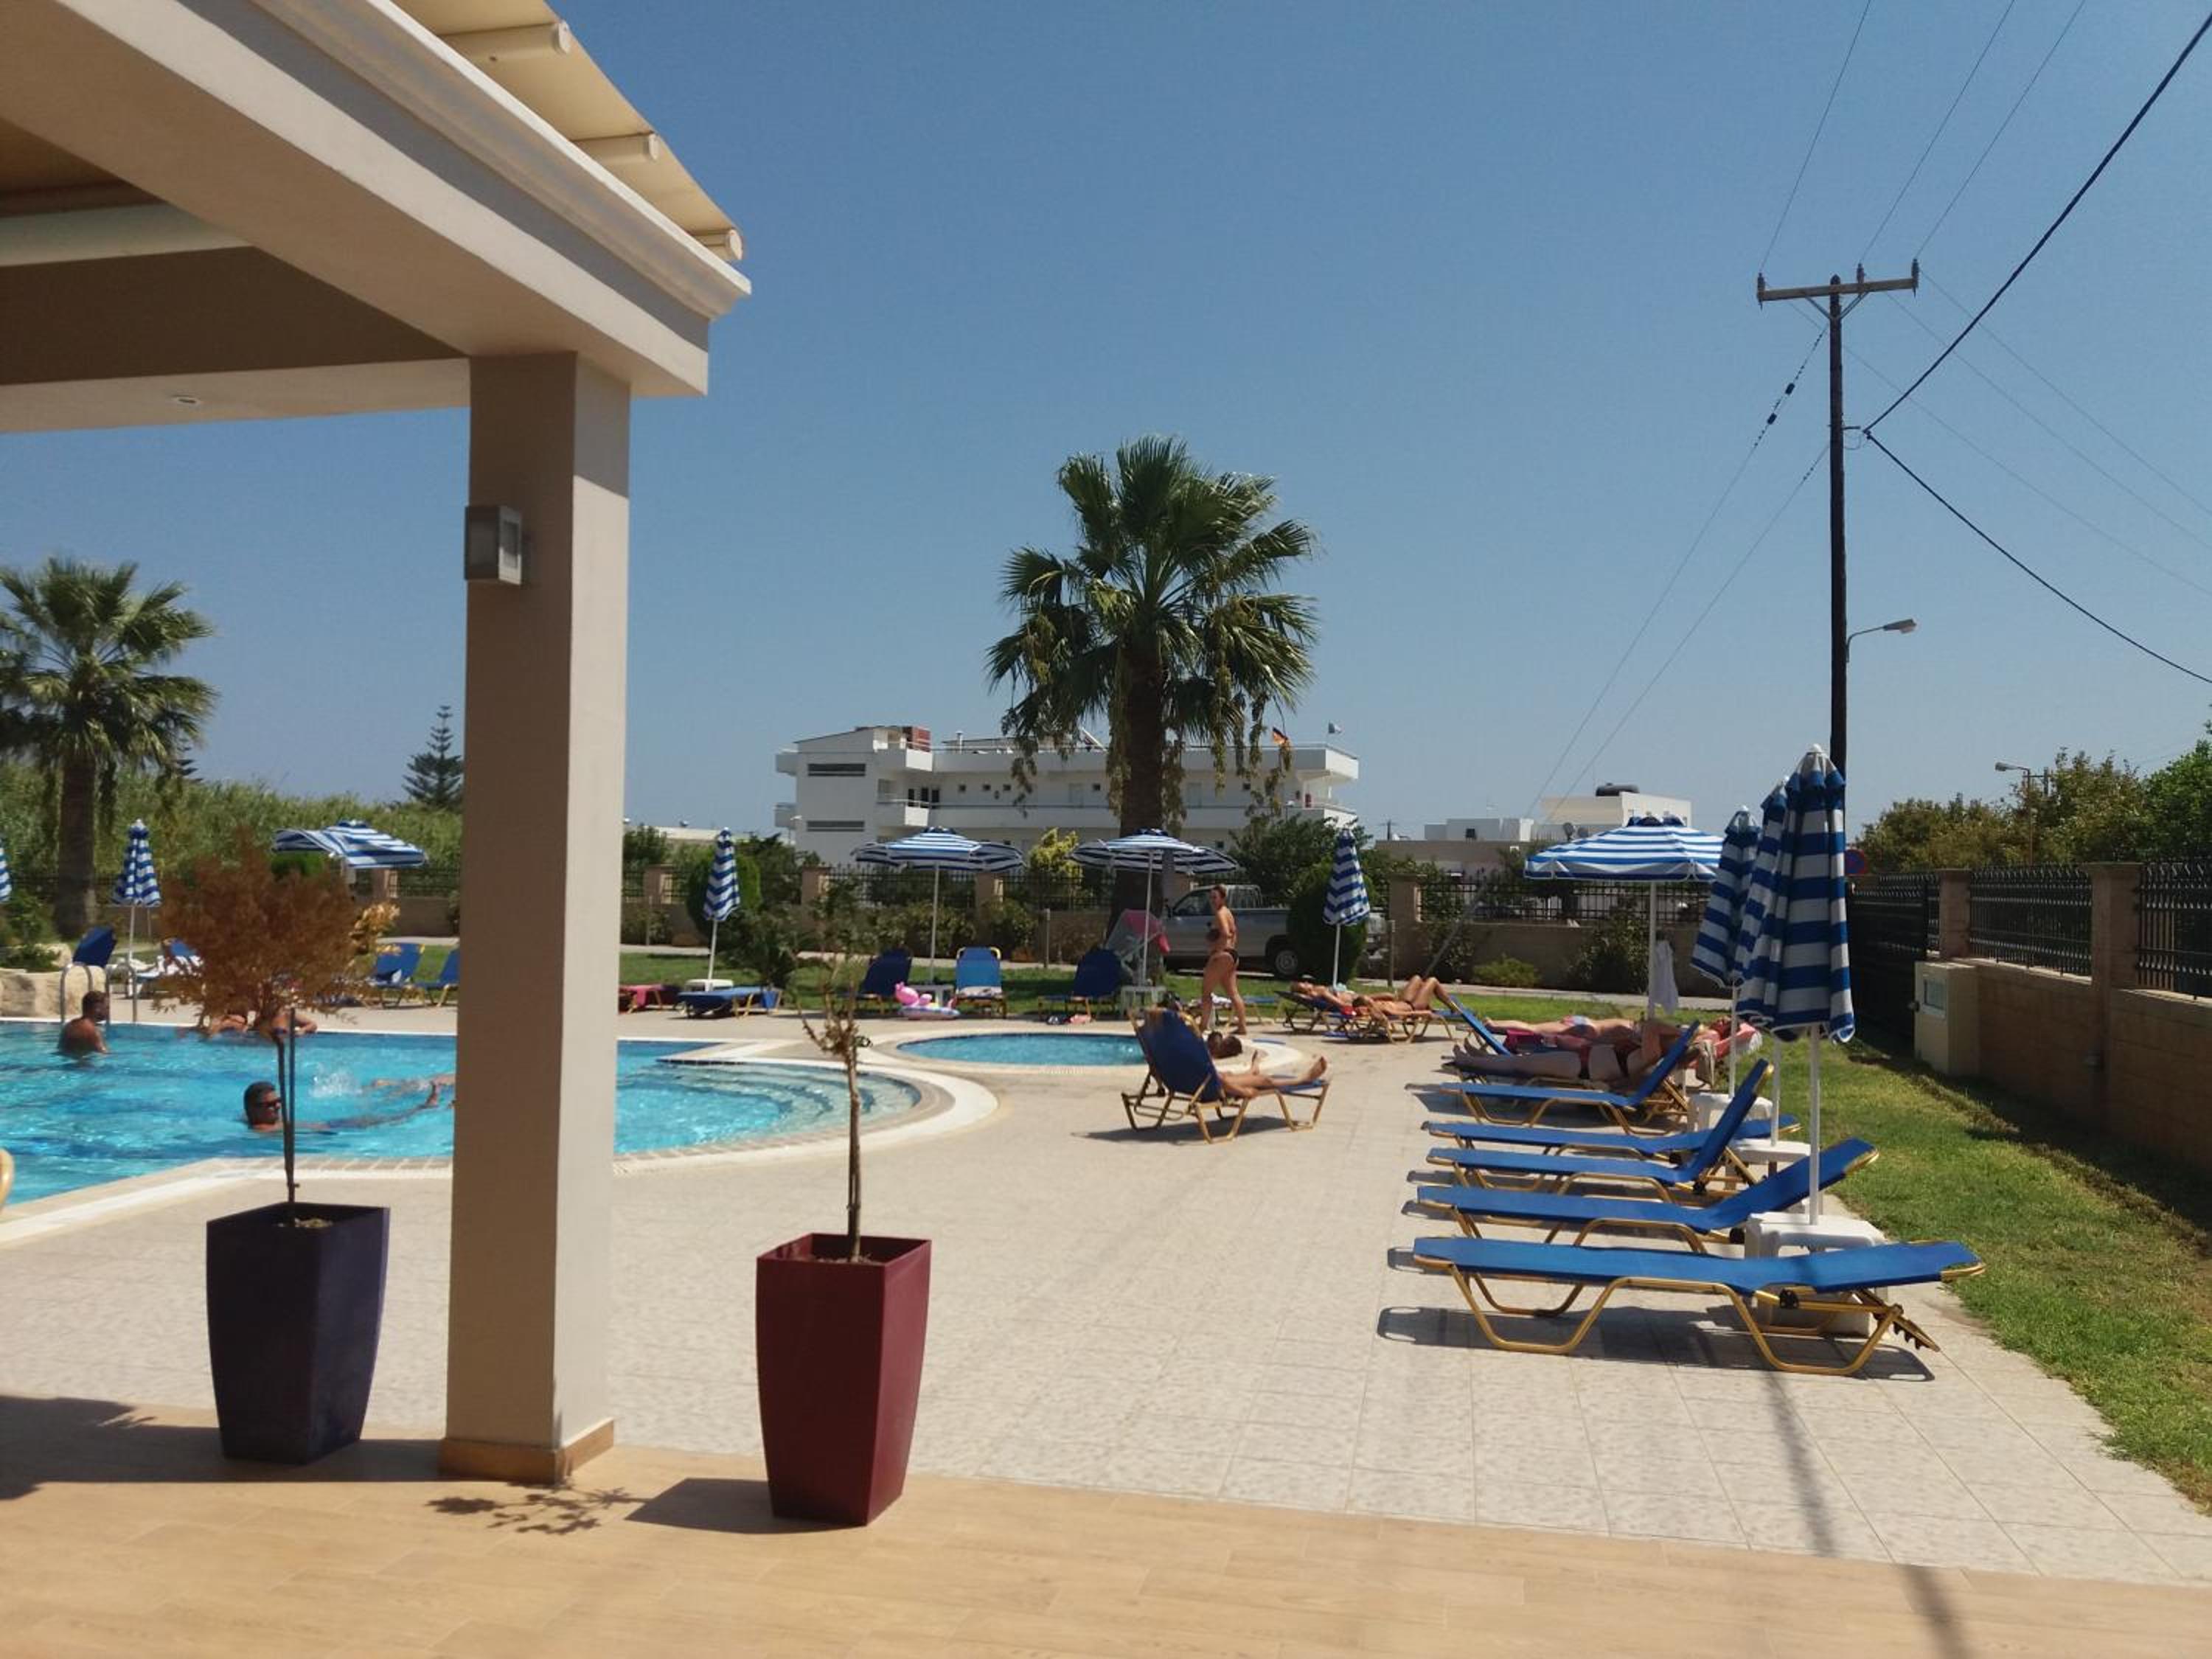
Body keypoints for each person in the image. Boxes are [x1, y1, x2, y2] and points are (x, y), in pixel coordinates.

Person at [243, 1077, 445, 1135]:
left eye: (279, 1102)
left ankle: (421, 1102)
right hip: (334, 1127)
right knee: (385, 1120)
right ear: (253, 1108)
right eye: (270, 1105)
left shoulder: (255, 1119)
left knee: (381, 1114)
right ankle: (426, 1106)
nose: (278, 1107)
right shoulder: (265, 1129)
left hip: (332, 1123)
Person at [1198, 885, 1245, 1037]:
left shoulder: (1220, 914)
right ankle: (1242, 1026)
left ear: (1222, 899)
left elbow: (1225, 933)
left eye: (1215, 897)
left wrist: (1218, 952)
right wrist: (1229, 947)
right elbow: (1234, 933)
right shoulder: (1228, 913)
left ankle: (1202, 1026)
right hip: (1232, 955)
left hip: (1223, 955)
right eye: (1211, 897)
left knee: (1206, 992)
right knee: (1233, 993)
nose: (1212, 900)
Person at [58, 990, 108, 1057]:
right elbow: (104, 1055)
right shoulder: (92, 1031)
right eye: (107, 1008)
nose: (108, 1011)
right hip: (83, 1063)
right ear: (97, 1008)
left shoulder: (68, 1026)